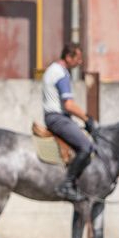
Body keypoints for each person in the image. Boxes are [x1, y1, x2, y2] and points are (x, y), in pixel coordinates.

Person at [42, 42, 98, 202]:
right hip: (58, 118)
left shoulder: (51, 69)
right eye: (78, 58)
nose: (80, 62)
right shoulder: (62, 73)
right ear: (68, 57)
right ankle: (66, 184)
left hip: (53, 116)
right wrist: (88, 119)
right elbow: (69, 104)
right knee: (87, 147)